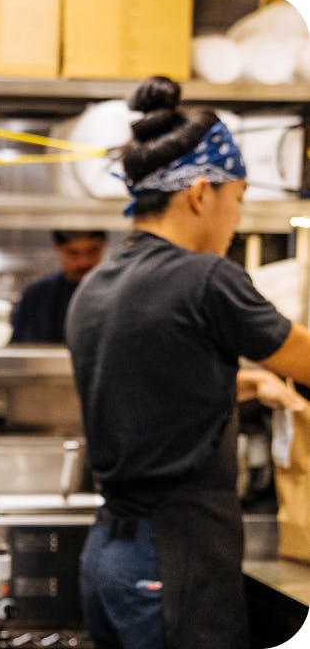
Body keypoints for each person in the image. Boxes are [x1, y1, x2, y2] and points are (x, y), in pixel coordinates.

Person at [66, 75, 310, 649]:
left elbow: (157, 383)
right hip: (175, 558)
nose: (236, 220)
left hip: (110, 558)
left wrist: (245, 385)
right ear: (202, 192)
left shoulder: (99, 284)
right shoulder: (206, 279)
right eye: (239, 200)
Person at [9, 230, 106, 343]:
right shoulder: (36, 296)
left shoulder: (115, 295)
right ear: (58, 249)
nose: (83, 262)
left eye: (92, 251)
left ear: (103, 247)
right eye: (73, 253)